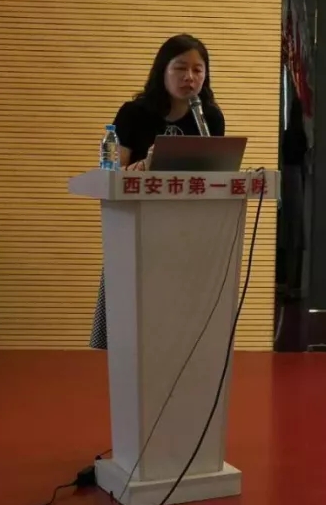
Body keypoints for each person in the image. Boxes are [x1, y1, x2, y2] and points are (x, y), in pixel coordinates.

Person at [89, 34, 225, 350]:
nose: (189, 77)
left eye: (198, 70)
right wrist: (142, 167)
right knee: (135, 327)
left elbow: (214, 174)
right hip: (137, 228)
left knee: (180, 328)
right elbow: (112, 174)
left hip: (189, 232)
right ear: (162, 70)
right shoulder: (134, 113)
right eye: (180, 68)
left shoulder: (209, 117)